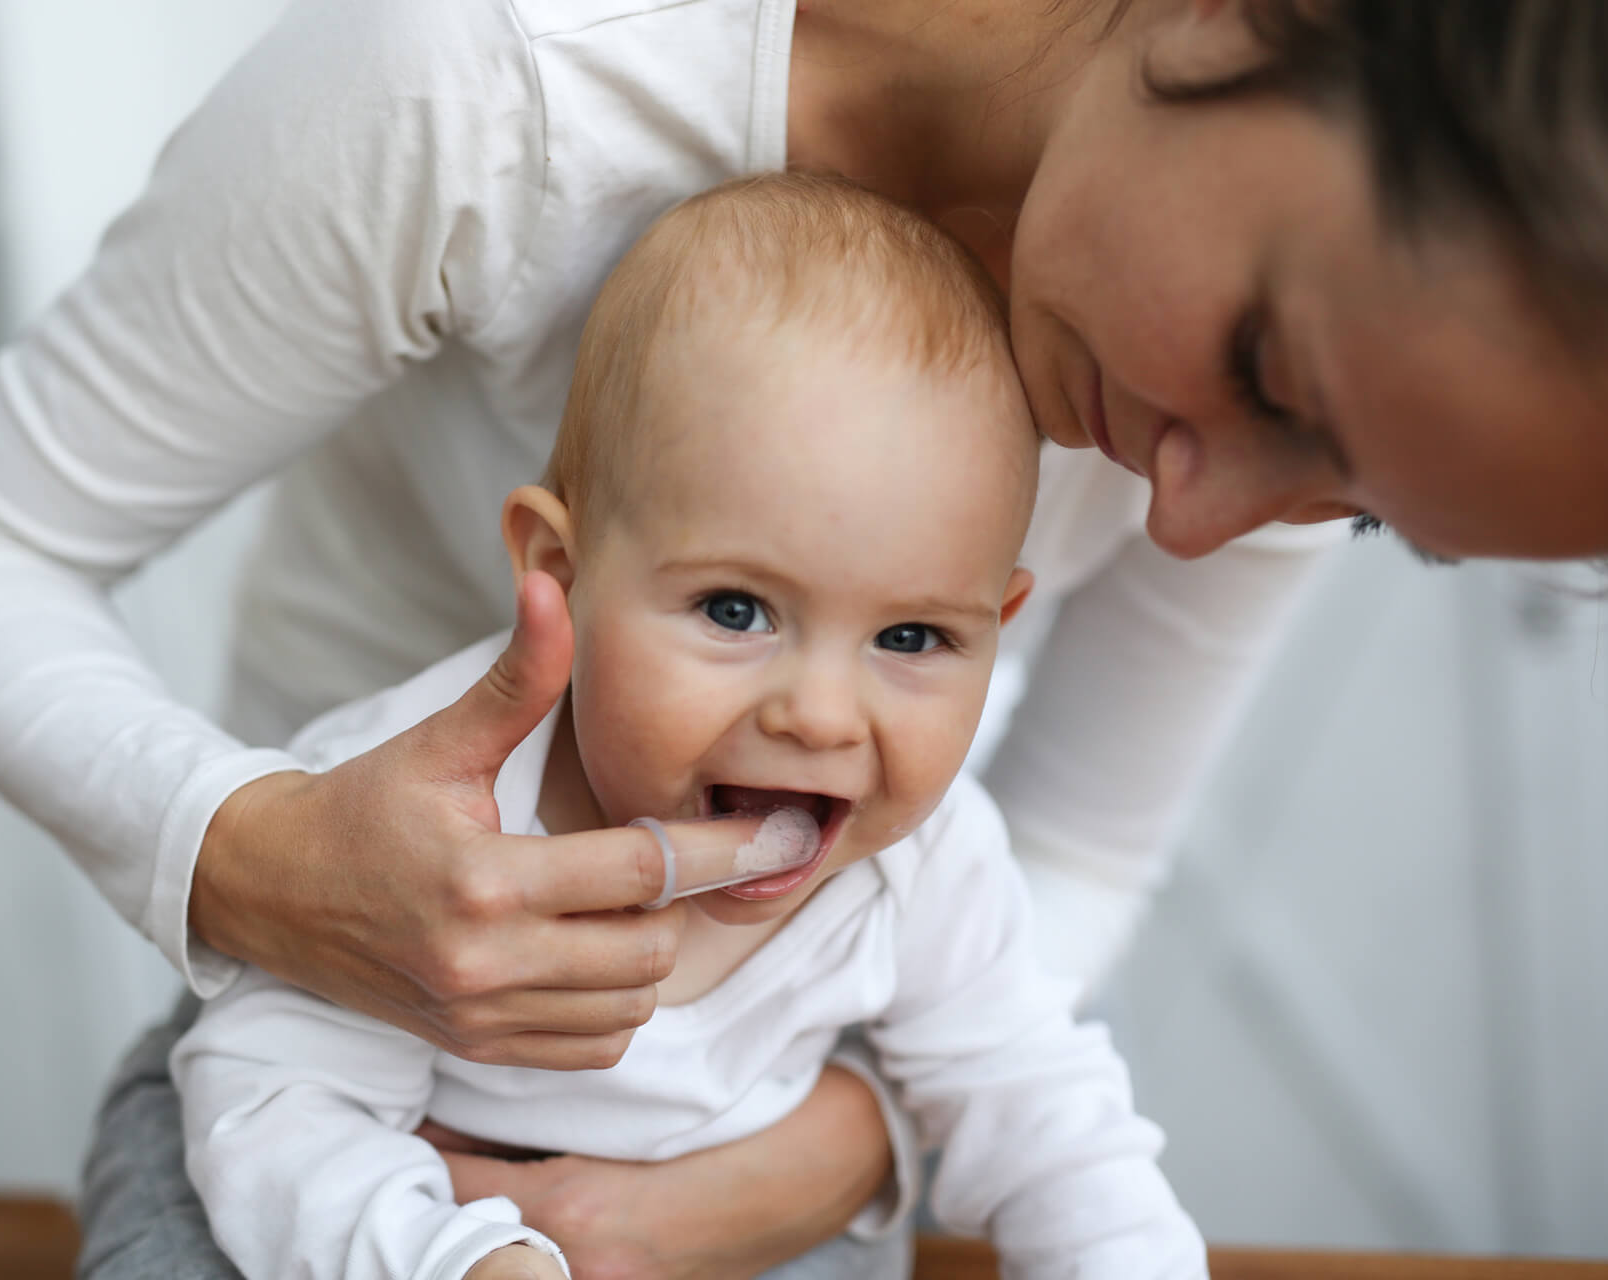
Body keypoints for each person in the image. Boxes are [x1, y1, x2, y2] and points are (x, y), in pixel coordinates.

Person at [0, 0, 1608, 1275]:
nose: (1191, 521)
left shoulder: (1273, 450)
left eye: (1366, 505)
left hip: (779, 1095)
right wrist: (248, 862)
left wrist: (803, 1170)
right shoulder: (494, 84)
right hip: (341, 1018)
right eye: (1267, 374)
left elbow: (1071, 876)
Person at [171, 171, 1205, 1280]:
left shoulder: (931, 863)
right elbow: (273, 1111)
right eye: (734, 610)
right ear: (562, 577)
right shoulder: (420, 817)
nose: (818, 715)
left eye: (910, 638)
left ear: (997, 626)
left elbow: (1049, 1116)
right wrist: (464, 1259)